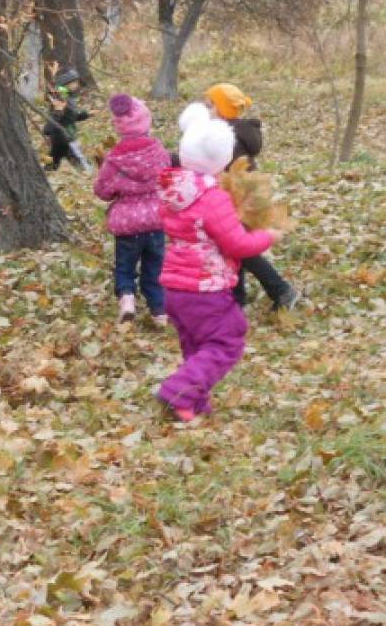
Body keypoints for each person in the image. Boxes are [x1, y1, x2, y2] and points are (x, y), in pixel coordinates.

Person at [156, 113, 279, 422]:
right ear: (225, 158)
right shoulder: (212, 199)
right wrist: (266, 236)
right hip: (205, 286)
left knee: (197, 345)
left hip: (173, 287)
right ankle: (180, 390)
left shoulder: (173, 190)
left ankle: (193, 401)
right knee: (228, 338)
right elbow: (236, 244)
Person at [202, 83, 300, 311]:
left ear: (220, 110)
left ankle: (282, 290)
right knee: (234, 247)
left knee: (239, 247)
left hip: (236, 198)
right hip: (246, 197)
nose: (207, 112)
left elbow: (216, 165)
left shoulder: (226, 136)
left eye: (210, 106)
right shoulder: (241, 132)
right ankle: (237, 299)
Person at [94, 94, 170, 325]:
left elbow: (102, 190)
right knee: (154, 267)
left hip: (128, 225)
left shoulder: (115, 159)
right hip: (156, 221)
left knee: (125, 266)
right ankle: (159, 310)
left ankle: (127, 298)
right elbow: (167, 178)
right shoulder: (159, 152)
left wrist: (117, 191)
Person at [42, 69, 91, 172]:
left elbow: (70, 116)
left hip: (60, 137)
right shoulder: (61, 97)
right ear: (66, 84)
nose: (77, 84)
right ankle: (87, 174)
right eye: (74, 82)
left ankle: (44, 174)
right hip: (65, 137)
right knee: (80, 162)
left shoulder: (66, 96)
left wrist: (87, 114)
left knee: (53, 161)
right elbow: (54, 119)